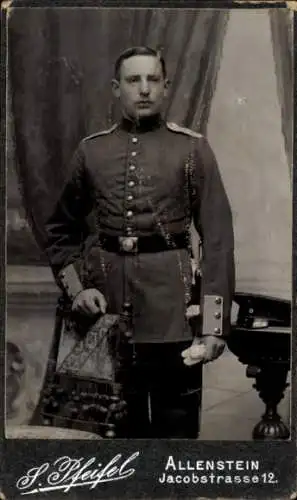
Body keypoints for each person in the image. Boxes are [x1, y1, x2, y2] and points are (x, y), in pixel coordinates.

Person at [44, 46, 235, 439]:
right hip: (105, 314)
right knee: (111, 434)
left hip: (175, 317)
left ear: (165, 87)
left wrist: (214, 326)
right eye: (134, 80)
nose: (144, 89)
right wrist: (78, 289)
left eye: (153, 80)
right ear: (117, 88)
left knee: (176, 432)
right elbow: (60, 230)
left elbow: (217, 241)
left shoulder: (192, 149)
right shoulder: (91, 151)